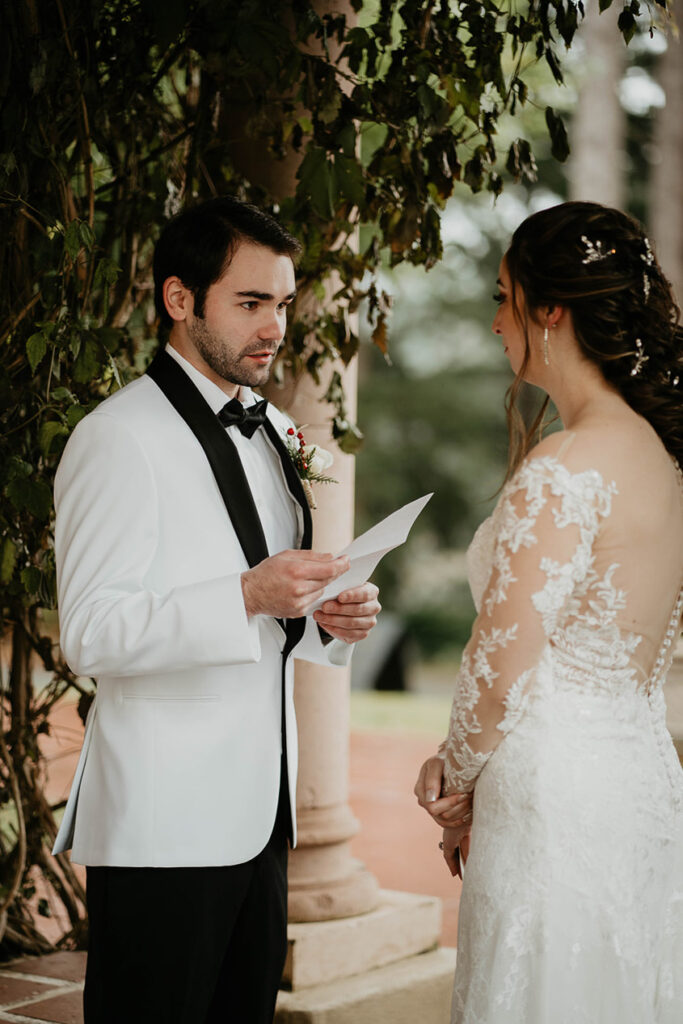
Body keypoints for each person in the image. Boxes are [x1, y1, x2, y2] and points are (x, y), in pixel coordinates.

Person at [52, 195, 381, 1024]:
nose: (273, 326)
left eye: (281, 303)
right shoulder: (115, 437)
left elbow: (268, 621)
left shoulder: (271, 426)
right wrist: (245, 594)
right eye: (249, 303)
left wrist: (322, 619)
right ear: (178, 299)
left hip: (262, 818)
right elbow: (88, 634)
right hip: (165, 825)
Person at [414, 201, 683, 1023]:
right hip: (637, 781)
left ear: (550, 309)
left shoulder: (561, 468)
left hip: (549, 794)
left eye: (503, 297)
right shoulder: (662, 462)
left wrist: (452, 783)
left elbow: (498, 667)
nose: (496, 321)